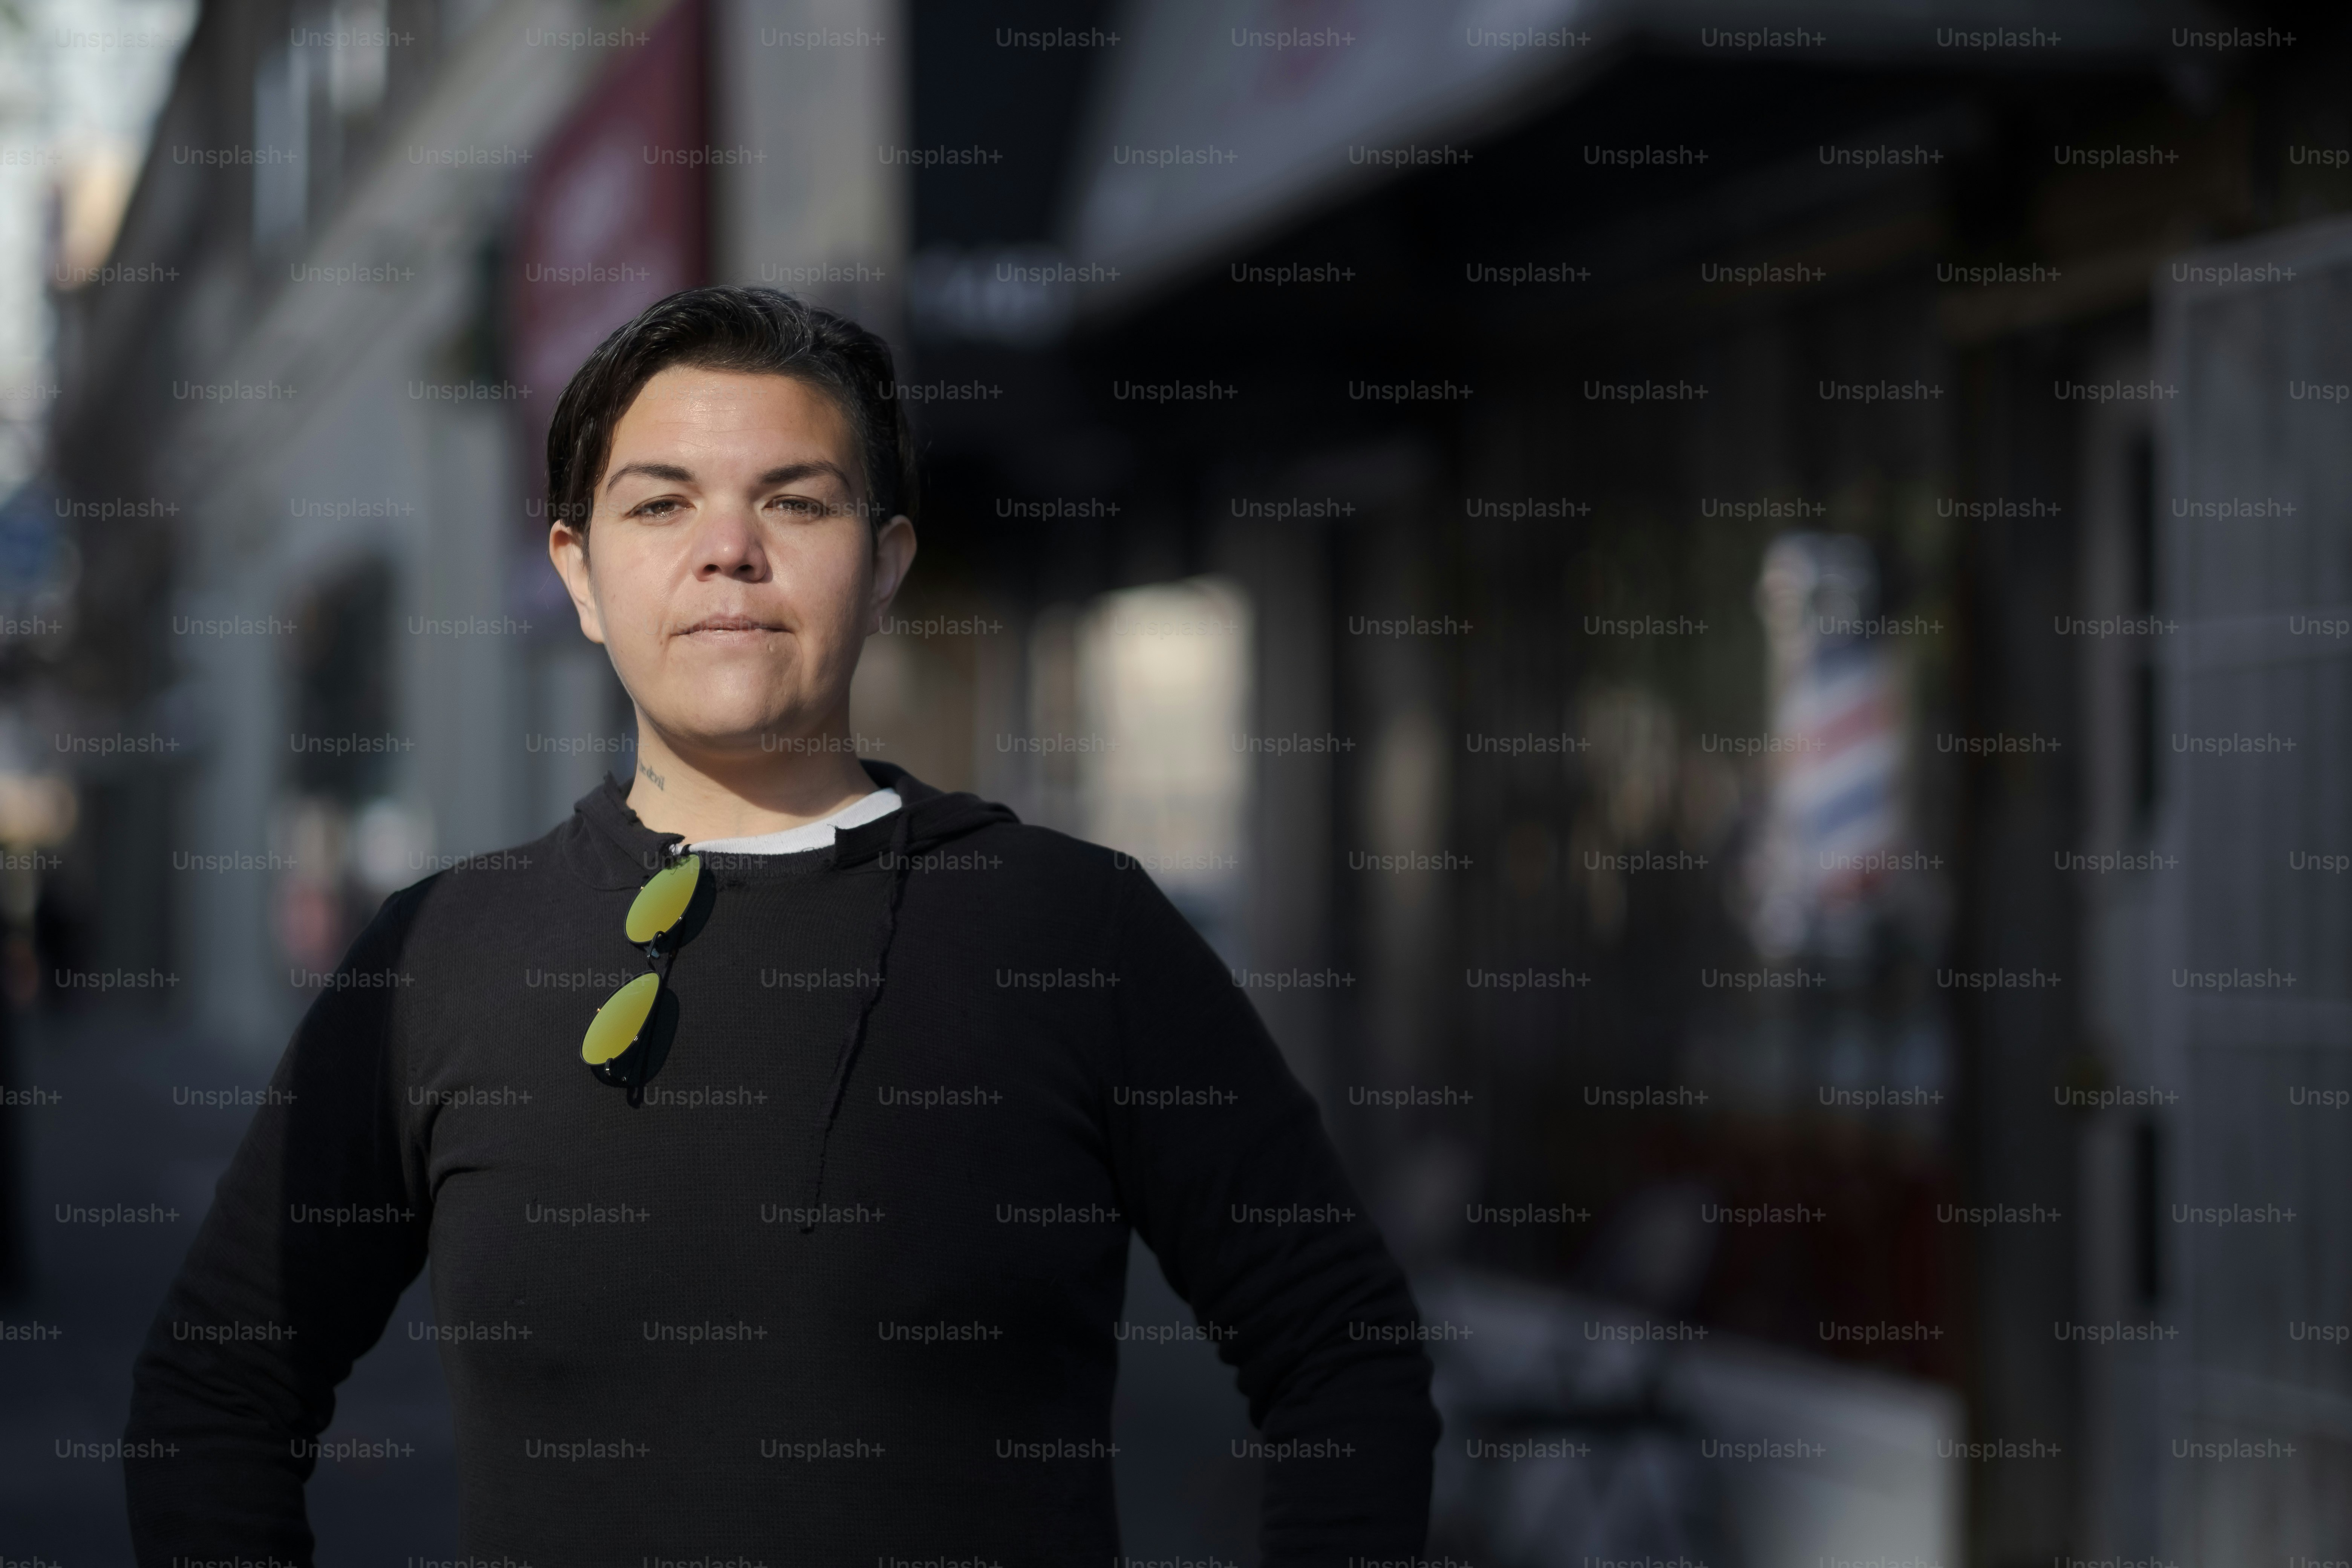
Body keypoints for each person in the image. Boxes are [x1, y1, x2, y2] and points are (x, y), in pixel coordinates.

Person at [123, 285, 1439, 1565]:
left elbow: (1342, 1350)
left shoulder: (1071, 929)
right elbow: (218, 1392)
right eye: (661, 504)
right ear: (579, 574)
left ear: (886, 566)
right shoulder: (441, 958)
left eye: (796, 502)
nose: (728, 550)